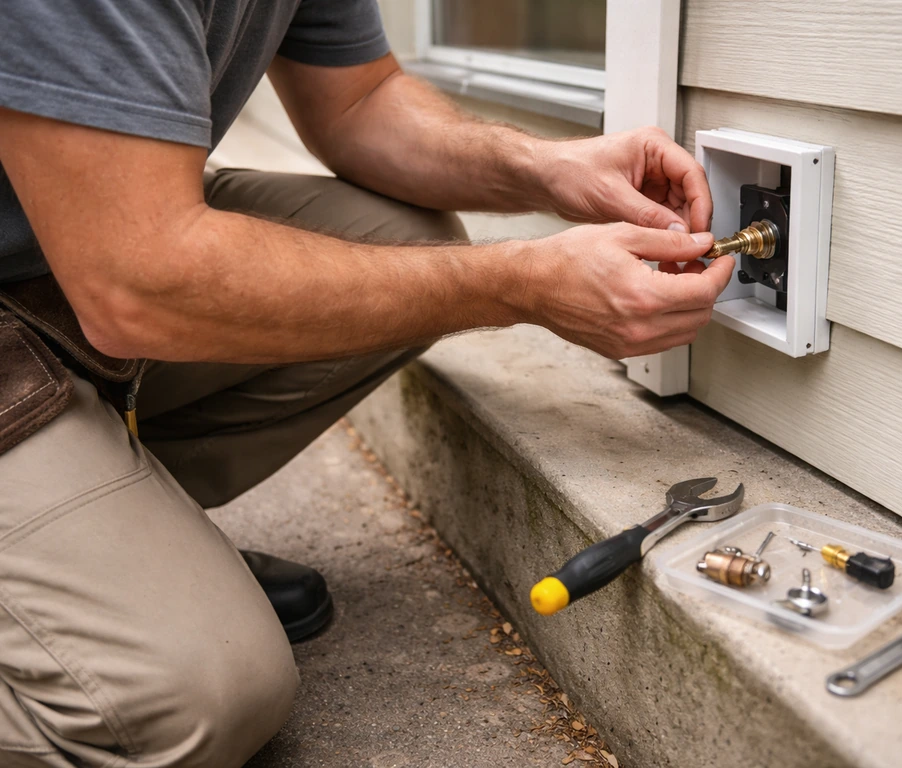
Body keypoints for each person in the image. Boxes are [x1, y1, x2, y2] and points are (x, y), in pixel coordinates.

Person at [0, 1, 734, 766]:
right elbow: (138, 283)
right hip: (84, 278)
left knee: (406, 244)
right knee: (187, 702)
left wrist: (546, 167)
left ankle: (89, 544)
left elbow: (358, 101)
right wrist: (518, 284)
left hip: (54, 265)